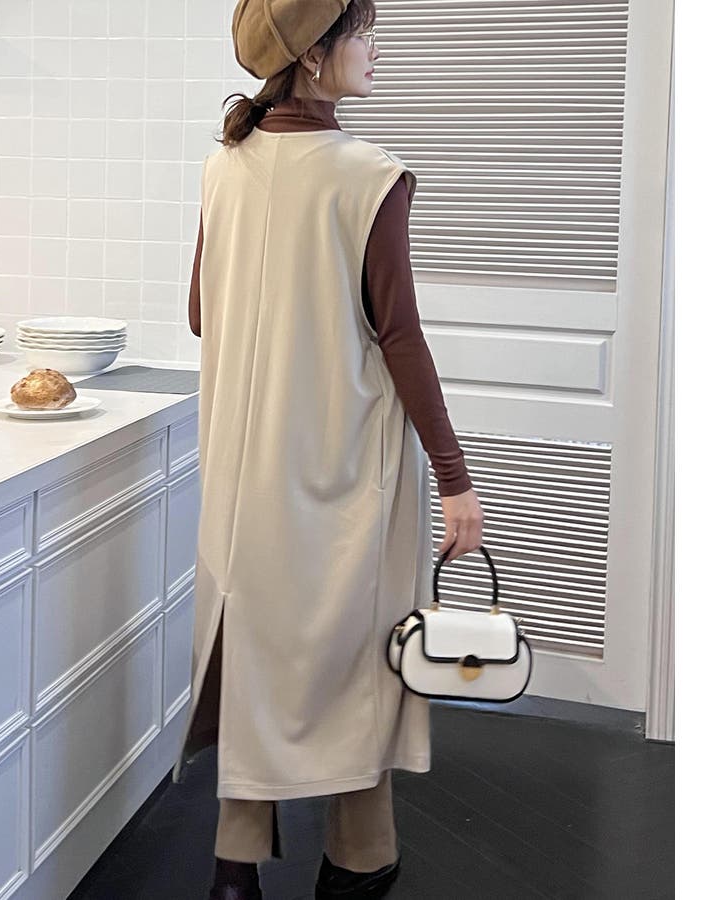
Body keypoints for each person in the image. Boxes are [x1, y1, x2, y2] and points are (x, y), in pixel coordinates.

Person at [173, 2, 485, 898]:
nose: (374, 48)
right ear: (314, 55)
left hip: (244, 475)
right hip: (345, 469)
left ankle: (234, 869)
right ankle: (358, 860)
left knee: (254, 648)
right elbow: (403, 340)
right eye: (361, 33)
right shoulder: (368, 176)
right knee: (360, 660)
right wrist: (456, 480)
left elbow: (200, 314)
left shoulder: (224, 164)